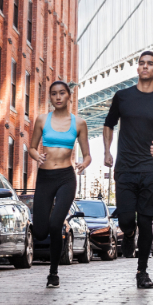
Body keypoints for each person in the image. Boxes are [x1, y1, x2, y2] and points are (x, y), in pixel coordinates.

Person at [103, 50, 153, 289]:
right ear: (138, 69)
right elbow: (108, 124)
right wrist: (107, 151)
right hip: (125, 168)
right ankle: (127, 233)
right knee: (126, 217)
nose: (145, 67)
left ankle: (142, 271)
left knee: (146, 222)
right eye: (141, 63)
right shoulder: (122, 96)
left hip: (151, 169)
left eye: (150, 64)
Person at [28, 81, 91, 288]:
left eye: (62, 93)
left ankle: (53, 273)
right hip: (45, 178)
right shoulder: (41, 120)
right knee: (39, 232)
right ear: (50, 97)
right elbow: (32, 147)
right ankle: (49, 226)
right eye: (53, 94)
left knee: (56, 225)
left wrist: (83, 163)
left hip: (66, 177)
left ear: (69, 96)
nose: (57, 97)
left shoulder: (79, 123)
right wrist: (36, 156)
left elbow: (88, 155)